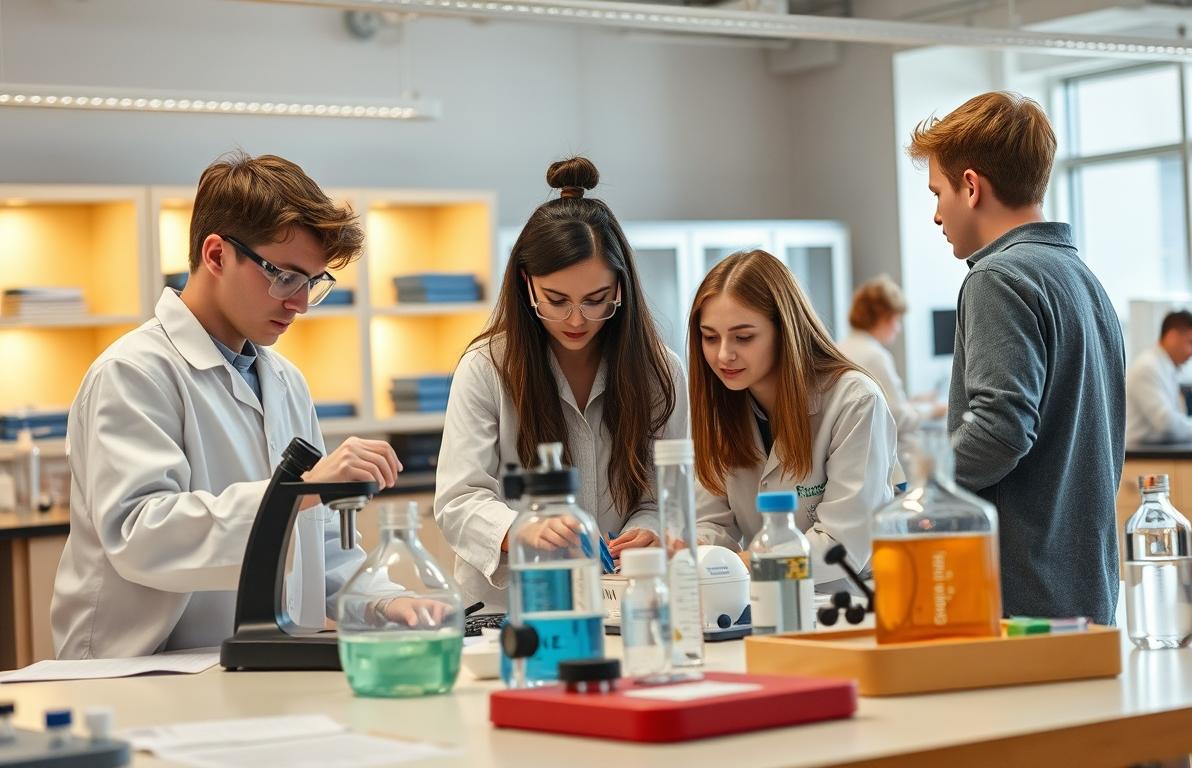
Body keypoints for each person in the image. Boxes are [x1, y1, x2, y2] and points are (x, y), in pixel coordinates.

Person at [52, 152, 407, 659]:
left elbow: (318, 541)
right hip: (139, 668)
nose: (301, 303)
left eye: (313, 282)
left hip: (252, 660)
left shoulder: (285, 381)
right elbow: (139, 535)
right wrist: (296, 492)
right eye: (285, 276)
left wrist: (387, 603)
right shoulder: (133, 372)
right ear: (216, 255)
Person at [906, 91, 1126, 624]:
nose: (936, 215)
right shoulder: (1081, 279)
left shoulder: (997, 279)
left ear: (971, 186)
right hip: (1085, 585)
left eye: (938, 193)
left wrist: (916, 490)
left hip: (1022, 595)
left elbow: (1000, 430)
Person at [435, 157, 688, 611]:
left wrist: (650, 530)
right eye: (557, 300)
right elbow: (459, 498)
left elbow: (663, 491)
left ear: (620, 288)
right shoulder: (486, 367)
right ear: (527, 284)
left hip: (623, 602)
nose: (577, 320)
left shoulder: (660, 372)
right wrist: (518, 530)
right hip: (510, 610)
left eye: (595, 300)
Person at [690, 250, 903, 589]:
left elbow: (842, 545)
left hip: (849, 604)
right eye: (710, 336)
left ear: (785, 330)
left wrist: (737, 564)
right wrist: (688, 551)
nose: (723, 355)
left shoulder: (854, 400)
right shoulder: (720, 406)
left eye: (743, 337)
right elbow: (713, 524)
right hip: (763, 604)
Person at [836, 275, 945, 448]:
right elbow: (897, 417)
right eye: (897, 320)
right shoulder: (875, 355)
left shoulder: (840, 348)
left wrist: (912, 403)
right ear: (884, 317)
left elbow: (878, 407)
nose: (898, 328)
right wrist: (933, 410)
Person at [1126, 310, 1192, 447]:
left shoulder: (1166, 367)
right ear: (1172, 337)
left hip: (1154, 450)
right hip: (1141, 455)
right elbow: (1166, 423)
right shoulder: (1148, 367)